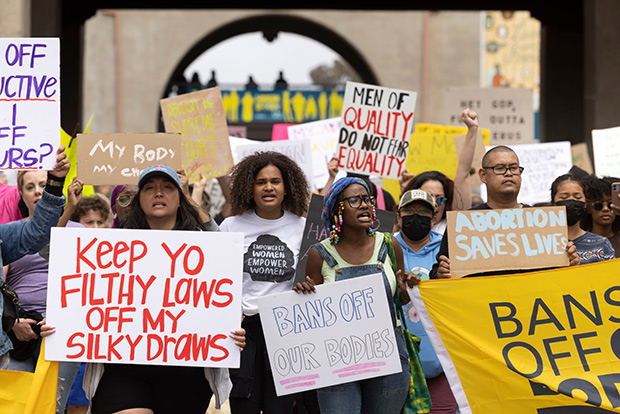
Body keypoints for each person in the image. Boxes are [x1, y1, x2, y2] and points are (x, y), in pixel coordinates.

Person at [55, 164, 247, 414]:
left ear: (180, 199)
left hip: (185, 374)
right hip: (123, 370)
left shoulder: (206, 247)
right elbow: (53, 253)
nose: (158, 193)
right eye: (149, 188)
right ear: (139, 200)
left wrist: (230, 330)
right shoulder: (112, 246)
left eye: (168, 187)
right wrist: (70, 208)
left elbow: (226, 255)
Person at [300, 177, 419, 414]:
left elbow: (399, 301)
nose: (365, 205)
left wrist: (407, 289)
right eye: (355, 200)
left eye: (367, 199)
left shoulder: (389, 245)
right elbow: (313, 316)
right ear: (336, 208)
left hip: (388, 352)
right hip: (337, 356)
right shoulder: (319, 254)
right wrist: (303, 295)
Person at [220, 151, 309, 414]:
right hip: (243, 335)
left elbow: (316, 276)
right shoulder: (230, 226)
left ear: (287, 187)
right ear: (250, 187)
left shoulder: (304, 227)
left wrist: (308, 283)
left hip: (287, 331)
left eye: (275, 181)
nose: (268, 187)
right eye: (260, 182)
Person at [430, 145, 580, 279]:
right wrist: (442, 274)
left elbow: (561, 279)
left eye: (514, 168)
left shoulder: (544, 223)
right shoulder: (464, 225)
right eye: (500, 168)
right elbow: (438, 274)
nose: (509, 173)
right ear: (483, 175)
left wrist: (571, 264)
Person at [395, 189, 457, 413]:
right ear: (398, 215)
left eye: (423, 211)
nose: (416, 215)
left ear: (434, 216)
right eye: (409, 210)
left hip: (443, 370)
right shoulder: (383, 249)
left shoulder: (451, 249)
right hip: (397, 370)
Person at [400, 109, 479, 234]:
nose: (435, 203)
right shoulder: (398, 232)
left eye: (440, 199)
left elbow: (463, 175)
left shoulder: (452, 228)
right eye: (428, 197)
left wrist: (472, 130)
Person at [551, 174, 615, 264]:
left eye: (577, 197)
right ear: (553, 203)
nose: (571, 201)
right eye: (564, 197)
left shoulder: (601, 244)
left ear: (585, 203)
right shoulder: (543, 245)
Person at [581, 175, 620, 257]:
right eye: (598, 205)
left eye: (610, 204)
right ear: (588, 207)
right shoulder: (578, 243)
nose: (605, 209)